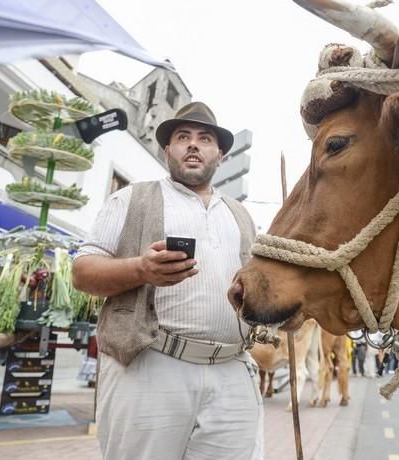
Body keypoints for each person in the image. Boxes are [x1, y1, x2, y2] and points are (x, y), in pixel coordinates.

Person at [72, 101, 262, 460]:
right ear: (167, 151)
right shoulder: (131, 198)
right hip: (152, 365)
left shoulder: (241, 216)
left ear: (219, 154)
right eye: (183, 137)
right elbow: (82, 272)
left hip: (231, 372)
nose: (193, 145)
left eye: (204, 139)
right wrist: (141, 270)